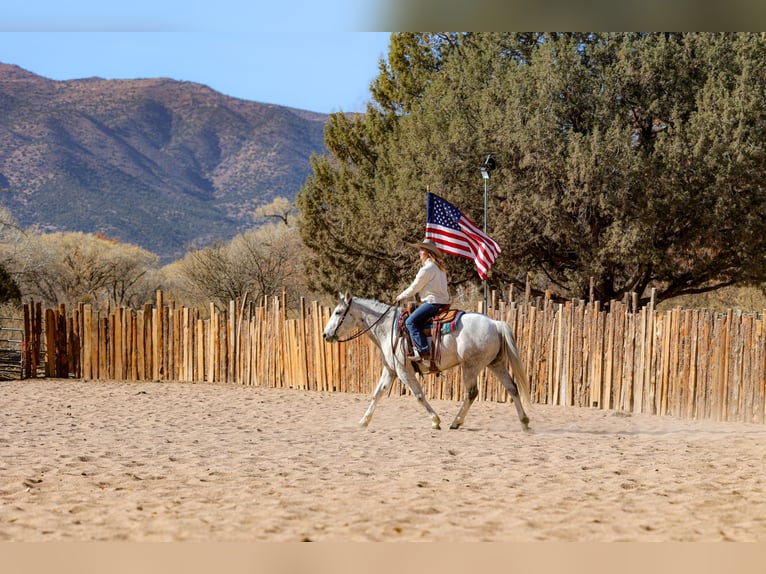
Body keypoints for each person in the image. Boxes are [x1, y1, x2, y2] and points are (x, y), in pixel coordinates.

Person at [394, 239, 450, 362]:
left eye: (422, 250)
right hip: (443, 302)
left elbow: (415, 287)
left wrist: (401, 296)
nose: (419, 252)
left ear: (428, 252)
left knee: (410, 322)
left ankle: (423, 350)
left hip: (432, 302)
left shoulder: (427, 269)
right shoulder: (440, 267)